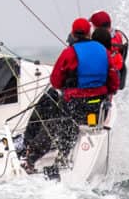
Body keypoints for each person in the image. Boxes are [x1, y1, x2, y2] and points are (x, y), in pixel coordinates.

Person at [21, 18, 119, 174]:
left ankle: (30, 156)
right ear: (89, 33)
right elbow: (114, 83)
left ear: (73, 34)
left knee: (54, 120)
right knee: (67, 119)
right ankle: (64, 153)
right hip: (98, 109)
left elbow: (55, 81)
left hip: (74, 108)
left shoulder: (69, 53)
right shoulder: (104, 52)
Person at [89, 10, 129, 89]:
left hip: (105, 79)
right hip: (116, 75)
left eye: (93, 26)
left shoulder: (102, 40)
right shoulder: (118, 35)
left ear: (97, 27)